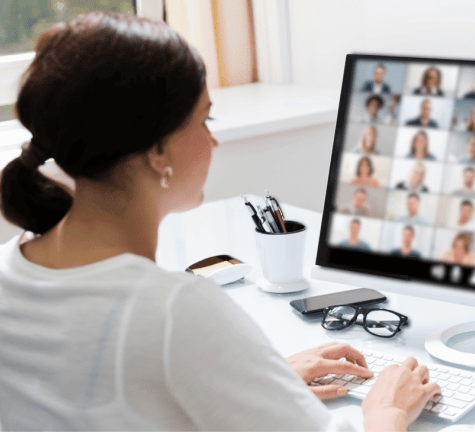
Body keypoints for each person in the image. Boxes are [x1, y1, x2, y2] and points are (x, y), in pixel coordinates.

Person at [0, 12, 438, 431]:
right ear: (158, 152)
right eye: (204, 119)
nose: (213, 140)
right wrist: (388, 411)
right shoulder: (175, 311)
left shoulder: (8, 269)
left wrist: (254, 380)